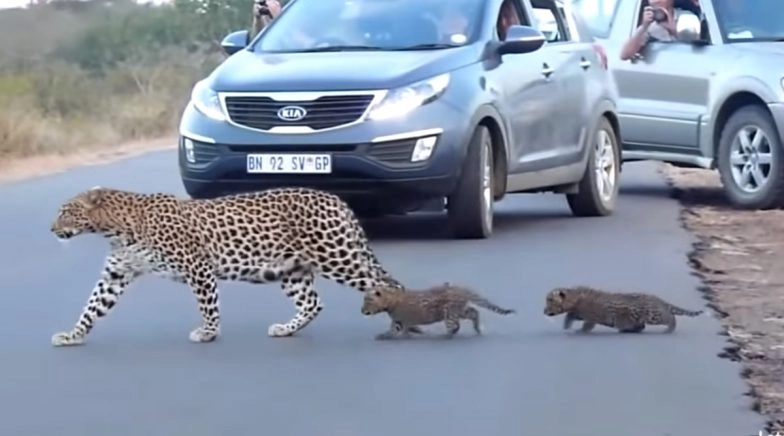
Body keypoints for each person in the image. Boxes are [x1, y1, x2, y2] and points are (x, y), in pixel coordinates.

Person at [619, 0, 689, 60]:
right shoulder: (649, 26)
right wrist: (643, 26)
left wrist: (674, 29)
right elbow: (625, 55)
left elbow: (696, 45)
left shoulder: (686, 17)